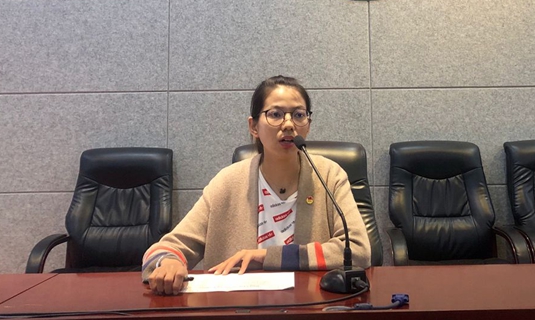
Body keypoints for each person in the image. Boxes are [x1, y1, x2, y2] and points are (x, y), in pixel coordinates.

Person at [143, 75, 371, 295]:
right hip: (239, 310)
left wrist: (266, 257)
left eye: (299, 115)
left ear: (308, 125)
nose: (289, 124)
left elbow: (359, 250)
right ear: (253, 126)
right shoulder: (228, 182)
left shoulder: (329, 176)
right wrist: (169, 262)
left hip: (311, 307)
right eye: (275, 114)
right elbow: (166, 248)